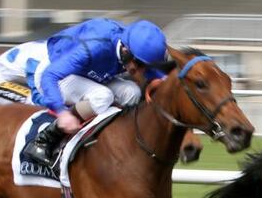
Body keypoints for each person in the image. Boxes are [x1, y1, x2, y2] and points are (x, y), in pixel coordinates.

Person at [21, 17, 168, 167]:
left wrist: (163, 81)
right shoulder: (94, 47)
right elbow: (50, 76)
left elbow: (160, 75)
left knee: (132, 92)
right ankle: (45, 139)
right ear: (125, 50)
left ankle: (116, 144)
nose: (142, 72)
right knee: (103, 96)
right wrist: (62, 113)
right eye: (140, 65)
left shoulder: (132, 49)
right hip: (54, 75)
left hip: (87, 74)